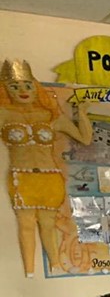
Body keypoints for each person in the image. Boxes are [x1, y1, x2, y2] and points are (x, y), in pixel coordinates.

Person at [0, 59, 92, 276]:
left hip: (50, 177)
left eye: (28, 85)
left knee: (48, 224)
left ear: (36, 87)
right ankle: (29, 273)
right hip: (22, 176)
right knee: (26, 224)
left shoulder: (50, 115)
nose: (23, 91)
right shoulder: (4, 115)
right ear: (6, 90)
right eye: (15, 86)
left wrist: (82, 113)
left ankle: (55, 265)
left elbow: (85, 138)